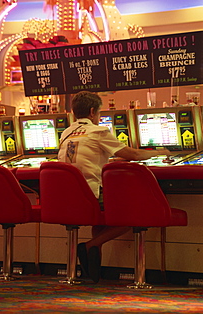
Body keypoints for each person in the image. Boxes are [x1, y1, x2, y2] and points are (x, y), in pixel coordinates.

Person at [58, 91, 171, 283]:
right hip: (89, 194)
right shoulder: (98, 131)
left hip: (69, 196)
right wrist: (161, 152)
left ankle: (94, 266)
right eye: (100, 112)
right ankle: (90, 246)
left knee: (101, 219)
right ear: (93, 111)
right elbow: (133, 155)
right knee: (134, 213)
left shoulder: (66, 132)